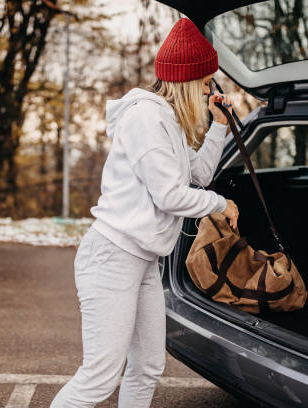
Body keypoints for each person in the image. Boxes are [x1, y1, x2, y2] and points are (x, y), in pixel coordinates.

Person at [50, 17, 239, 408]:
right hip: (112, 257)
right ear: (187, 81)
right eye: (206, 82)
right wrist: (221, 205)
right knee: (99, 378)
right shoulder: (145, 119)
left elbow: (198, 176)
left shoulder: (168, 122)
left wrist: (218, 127)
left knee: (149, 365)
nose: (210, 90)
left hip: (143, 261)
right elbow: (170, 196)